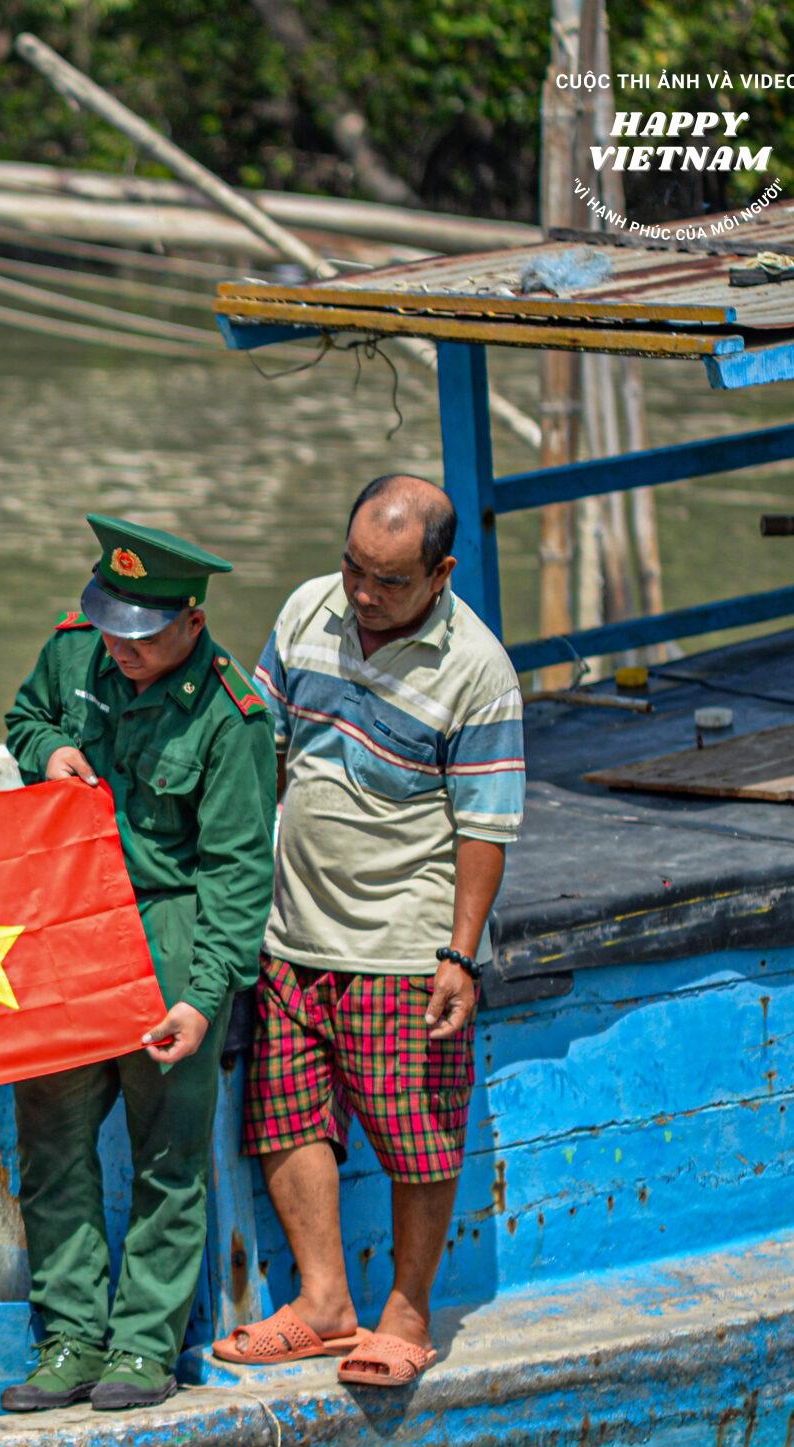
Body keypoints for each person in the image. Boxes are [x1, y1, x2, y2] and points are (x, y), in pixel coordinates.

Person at [212, 474, 524, 1388]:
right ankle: (323, 1303)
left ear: (441, 575)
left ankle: (408, 1310)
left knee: (416, 1132)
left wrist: (460, 956)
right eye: (353, 567)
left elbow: (486, 828)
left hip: (403, 943)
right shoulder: (308, 610)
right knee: (287, 1116)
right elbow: (258, 746)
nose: (361, 593)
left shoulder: (479, 671)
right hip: (293, 930)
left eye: (387, 581)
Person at [0, 517, 276, 1412]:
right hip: (69, 924)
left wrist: (205, 999)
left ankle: (145, 1348)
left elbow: (237, 872)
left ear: (192, 622)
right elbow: (24, 717)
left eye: (144, 634)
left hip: (169, 931)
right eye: (112, 625)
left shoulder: (233, 717)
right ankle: (70, 1337)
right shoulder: (79, 650)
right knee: (52, 1140)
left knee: (167, 1156)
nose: (121, 648)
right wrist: (47, 753)